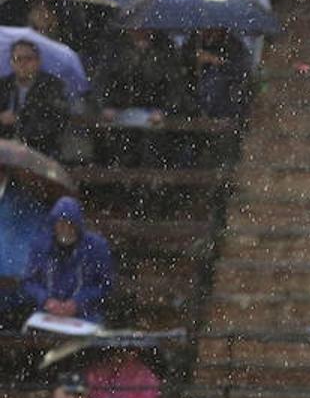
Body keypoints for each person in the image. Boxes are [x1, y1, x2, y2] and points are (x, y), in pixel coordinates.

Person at [95, 28, 193, 166]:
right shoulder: (116, 49)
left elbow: (175, 87)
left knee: (153, 156)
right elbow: (104, 80)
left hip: (155, 116)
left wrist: (165, 111)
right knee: (119, 156)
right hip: (120, 115)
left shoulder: (164, 49)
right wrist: (106, 106)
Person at [18, 197, 116, 325]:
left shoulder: (96, 247)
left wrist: (79, 302)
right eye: (61, 223)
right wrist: (45, 300)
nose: (66, 228)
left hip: (86, 315)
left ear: (78, 225)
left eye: (70, 223)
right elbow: (28, 281)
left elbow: (105, 285)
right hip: (47, 315)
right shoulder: (41, 245)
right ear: (54, 224)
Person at [0, 39, 70, 158]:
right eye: (18, 59)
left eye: (28, 58)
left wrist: (19, 120)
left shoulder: (52, 86)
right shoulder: (3, 85)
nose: (23, 63)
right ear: (11, 62)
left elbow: (55, 120)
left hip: (40, 151)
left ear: (38, 61)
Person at [182, 29, 253, 121]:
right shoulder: (194, 43)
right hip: (194, 97)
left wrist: (218, 62)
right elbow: (182, 61)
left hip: (224, 99)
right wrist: (195, 61)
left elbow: (241, 69)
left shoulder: (233, 45)